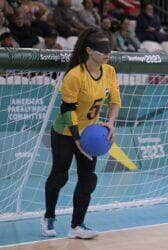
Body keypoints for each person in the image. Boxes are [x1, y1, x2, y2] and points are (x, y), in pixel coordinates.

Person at [41, 28, 121, 239]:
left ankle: (77, 226)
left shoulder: (109, 71)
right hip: (65, 133)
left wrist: (111, 124)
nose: (107, 53)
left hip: (90, 133)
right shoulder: (75, 76)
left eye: (109, 48)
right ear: (89, 50)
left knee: (88, 179)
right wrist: (77, 138)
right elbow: (67, 110)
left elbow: (115, 101)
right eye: (102, 49)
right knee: (60, 175)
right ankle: (49, 216)